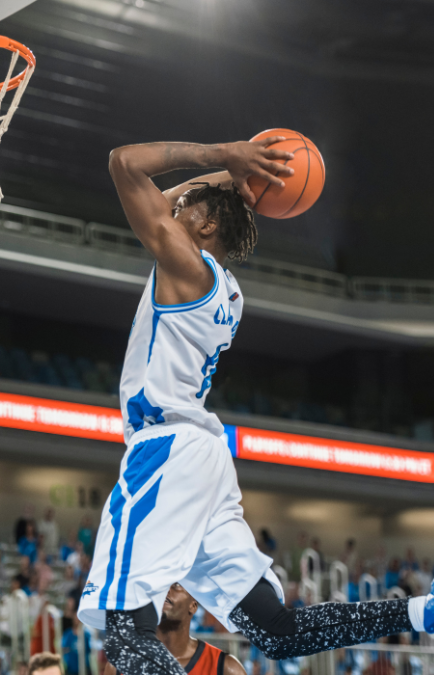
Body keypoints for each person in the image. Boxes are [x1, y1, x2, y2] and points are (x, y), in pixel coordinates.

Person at [77, 136, 434, 674]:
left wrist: (224, 154)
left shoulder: (187, 266)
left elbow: (124, 163)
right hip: (203, 457)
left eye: (184, 211)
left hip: (165, 448)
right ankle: (419, 611)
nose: (173, 208)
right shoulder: (225, 289)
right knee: (276, 629)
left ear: (204, 228)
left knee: (126, 633)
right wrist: (242, 176)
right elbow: (167, 192)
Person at [101, 584, 245, 675]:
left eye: (176, 585)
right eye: (162, 584)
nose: (166, 590)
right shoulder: (119, 666)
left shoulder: (225, 668)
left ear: (193, 605)